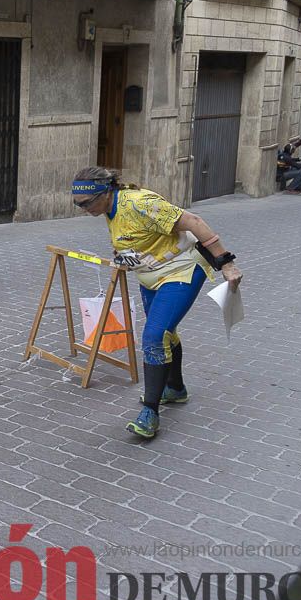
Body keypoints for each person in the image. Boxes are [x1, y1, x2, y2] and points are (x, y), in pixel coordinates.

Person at [71, 167, 243, 440]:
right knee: (166, 333)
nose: (83, 209)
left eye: (87, 203)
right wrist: (124, 255)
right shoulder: (108, 208)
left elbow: (195, 222)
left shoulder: (141, 203)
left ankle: (149, 413)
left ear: (107, 192)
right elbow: (135, 236)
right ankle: (175, 389)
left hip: (181, 270)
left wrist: (227, 264)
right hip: (150, 277)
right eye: (78, 204)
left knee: (153, 336)